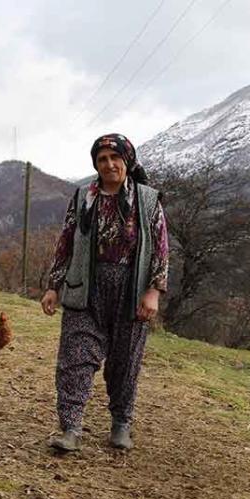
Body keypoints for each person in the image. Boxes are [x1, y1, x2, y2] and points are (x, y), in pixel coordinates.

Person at [41, 133, 169, 452]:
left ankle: (121, 423)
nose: (109, 164)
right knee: (74, 357)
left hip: (131, 289)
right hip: (86, 286)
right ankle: (70, 429)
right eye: (102, 159)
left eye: (115, 158)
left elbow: (161, 249)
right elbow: (66, 241)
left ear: (127, 161)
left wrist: (153, 291)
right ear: (96, 164)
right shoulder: (84, 197)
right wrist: (53, 285)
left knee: (125, 363)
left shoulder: (147, 199)